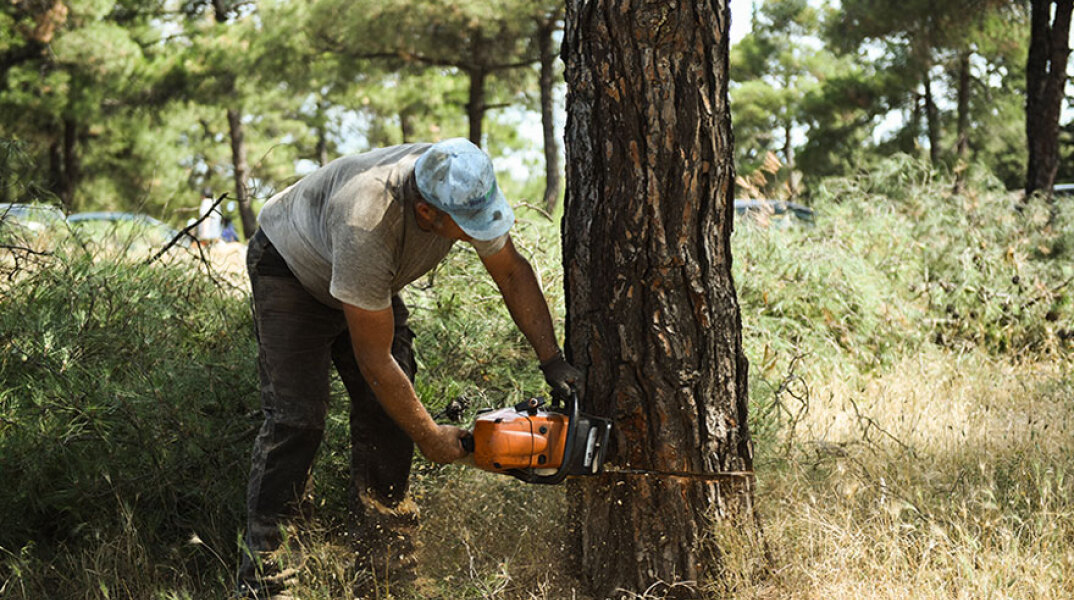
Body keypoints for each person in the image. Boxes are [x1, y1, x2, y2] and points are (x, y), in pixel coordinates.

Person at [235, 138, 581, 599]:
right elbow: (374, 362)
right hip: (293, 268)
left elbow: (512, 272)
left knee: (389, 417)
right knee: (297, 420)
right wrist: (430, 437)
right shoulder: (368, 222)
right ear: (426, 215)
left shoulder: (461, 180)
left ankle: (384, 570)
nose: (477, 232)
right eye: (466, 227)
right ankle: (267, 580)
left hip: (366, 281)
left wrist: (551, 359)